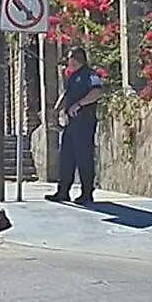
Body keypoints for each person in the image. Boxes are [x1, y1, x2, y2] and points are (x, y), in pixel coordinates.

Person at [46, 46, 106, 205]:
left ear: (76, 59)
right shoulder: (73, 77)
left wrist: (79, 105)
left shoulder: (90, 75)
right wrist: (56, 110)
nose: (68, 62)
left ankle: (87, 193)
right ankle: (63, 191)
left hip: (85, 122)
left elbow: (97, 92)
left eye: (69, 58)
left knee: (84, 157)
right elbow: (66, 94)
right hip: (71, 123)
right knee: (66, 156)